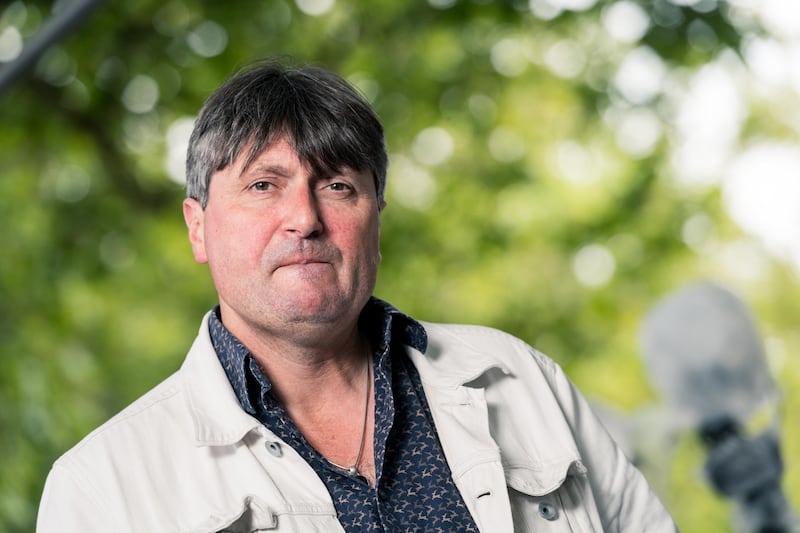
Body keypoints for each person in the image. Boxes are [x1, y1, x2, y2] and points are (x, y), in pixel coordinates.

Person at [37, 59, 679, 532]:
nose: (305, 219)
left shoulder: (520, 380)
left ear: (376, 218)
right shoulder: (102, 489)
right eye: (264, 185)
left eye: (338, 185)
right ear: (198, 227)